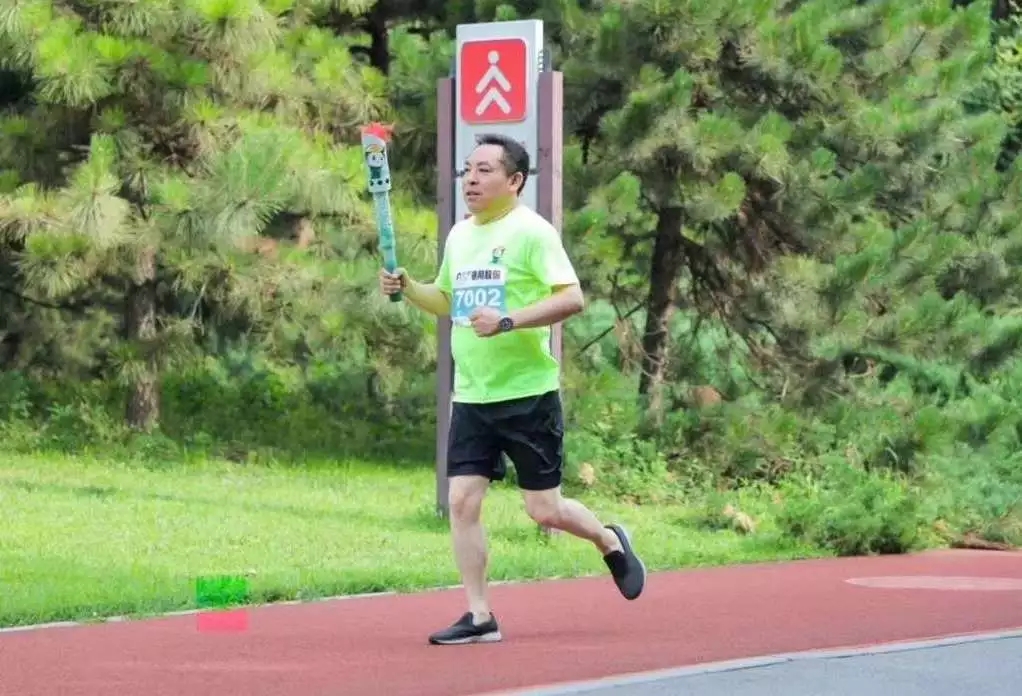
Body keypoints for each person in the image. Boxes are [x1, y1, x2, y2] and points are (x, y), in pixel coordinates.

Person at [378, 133, 646, 646]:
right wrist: (409, 287)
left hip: (527, 395)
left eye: (484, 171)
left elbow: (572, 298)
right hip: (472, 396)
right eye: (468, 170)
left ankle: (608, 539)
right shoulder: (460, 236)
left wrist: (508, 321)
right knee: (462, 501)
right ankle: (479, 615)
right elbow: (447, 301)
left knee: (544, 509)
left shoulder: (532, 233)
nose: (471, 180)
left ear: (515, 180)